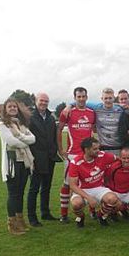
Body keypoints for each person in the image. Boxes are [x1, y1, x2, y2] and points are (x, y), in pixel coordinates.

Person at [0, 98, 36, 235]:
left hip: (24, 162)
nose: (13, 108)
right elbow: (11, 142)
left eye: (15, 106)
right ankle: (12, 223)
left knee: (20, 193)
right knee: (13, 194)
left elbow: (33, 138)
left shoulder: (21, 124)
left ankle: (20, 221)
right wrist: (24, 141)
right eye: (10, 107)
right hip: (12, 163)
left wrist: (21, 137)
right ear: (5, 109)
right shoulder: (3, 124)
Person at [58, 87, 96, 223]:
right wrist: (61, 149)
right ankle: (63, 214)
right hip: (72, 155)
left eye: (83, 96)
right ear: (74, 98)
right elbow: (59, 129)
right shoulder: (67, 112)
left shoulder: (92, 113)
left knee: (90, 182)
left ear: (87, 97)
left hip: (88, 155)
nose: (81, 99)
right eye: (78, 96)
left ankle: (92, 211)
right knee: (67, 184)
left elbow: (94, 130)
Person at [67, 137, 119, 228]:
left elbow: (120, 159)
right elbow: (73, 185)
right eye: (95, 149)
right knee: (76, 204)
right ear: (86, 150)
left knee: (113, 199)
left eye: (98, 148)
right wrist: (89, 198)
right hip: (82, 189)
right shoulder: (75, 162)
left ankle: (101, 215)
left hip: (99, 187)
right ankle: (80, 217)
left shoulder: (103, 155)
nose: (98, 151)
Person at [26, 92, 59, 227]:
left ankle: (45, 213)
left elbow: (52, 137)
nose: (44, 103)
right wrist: (30, 158)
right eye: (41, 101)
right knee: (34, 189)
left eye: (46, 101)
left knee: (46, 187)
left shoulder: (50, 117)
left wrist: (54, 151)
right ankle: (32, 218)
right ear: (36, 101)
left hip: (50, 157)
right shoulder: (30, 117)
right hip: (36, 159)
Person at [105, 147, 129, 219]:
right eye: (124, 158)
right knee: (118, 205)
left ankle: (124, 209)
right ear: (120, 158)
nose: (126, 160)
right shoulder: (114, 167)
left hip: (127, 192)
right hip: (115, 192)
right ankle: (113, 212)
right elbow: (106, 179)